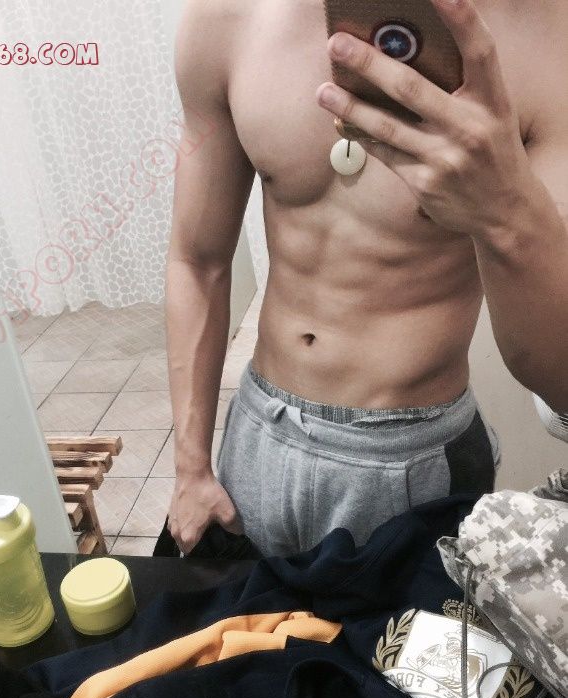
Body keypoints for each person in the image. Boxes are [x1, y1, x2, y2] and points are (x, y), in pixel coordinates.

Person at [160, 0, 568, 558]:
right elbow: (197, 260)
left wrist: (507, 213)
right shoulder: (227, 17)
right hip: (258, 434)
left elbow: (559, 382)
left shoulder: (545, 34)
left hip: (419, 460)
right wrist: (190, 468)